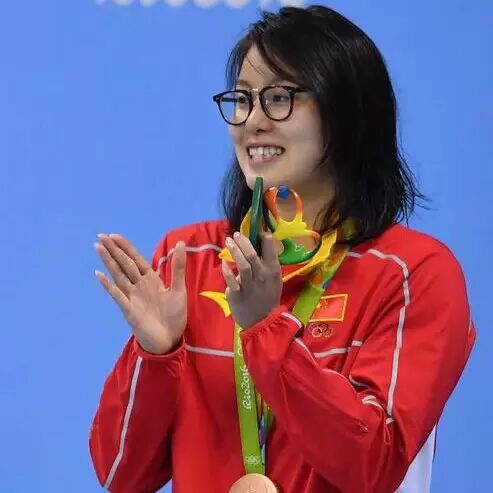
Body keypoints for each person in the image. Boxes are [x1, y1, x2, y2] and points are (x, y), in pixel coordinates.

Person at [89, 5, 476, 493]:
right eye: (242, 99)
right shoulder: (192, 259)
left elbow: (373, 464)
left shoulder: (413, 272)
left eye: (278, 98)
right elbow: (120, 474)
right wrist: (155, 354)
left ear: (346, 111)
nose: (252, 121)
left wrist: (265, 331)